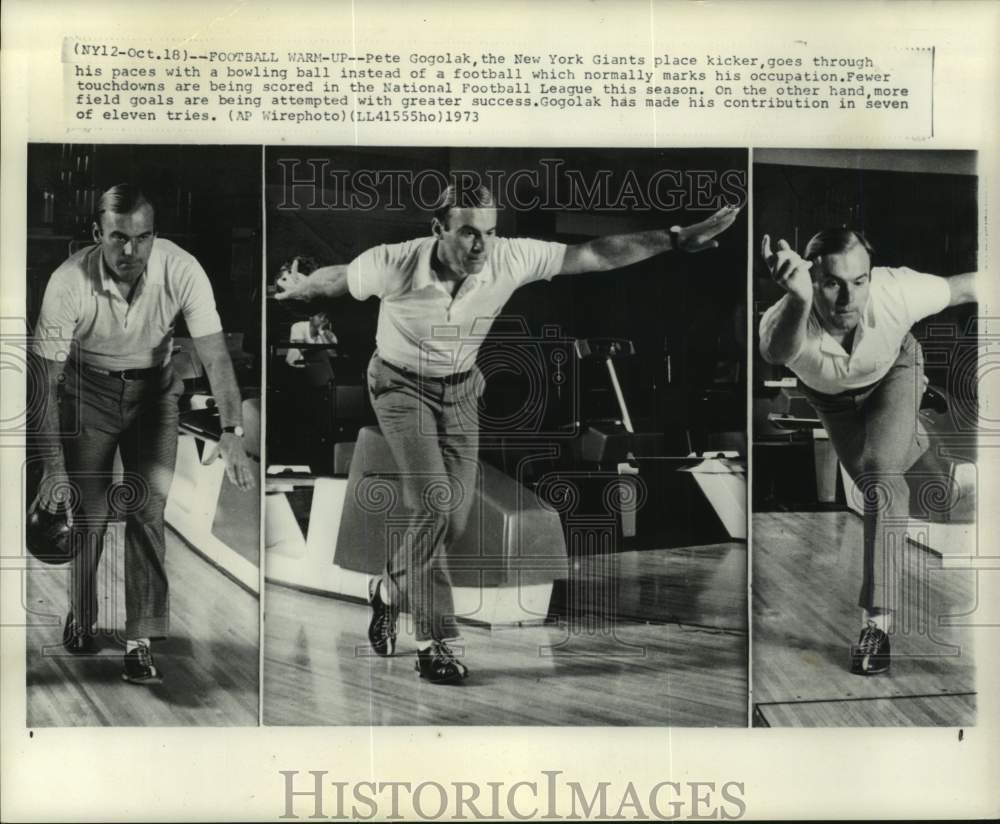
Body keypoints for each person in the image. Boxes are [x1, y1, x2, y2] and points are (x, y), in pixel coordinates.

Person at [276, 182, 740, 684]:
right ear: (438, 230)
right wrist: (300, 289)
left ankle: (387, 590)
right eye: (469, 233)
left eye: (490, 233)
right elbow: (335, 279)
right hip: (398, 384)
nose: (481, 246)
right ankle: (433, 643)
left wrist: (672, 239)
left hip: (460, 388)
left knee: (451, 517)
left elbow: (594, 253)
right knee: (435, 502)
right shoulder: (395, 262)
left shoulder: (508, 258)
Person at [32, 183, 256, 686]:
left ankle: (139, 639)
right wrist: (52, 470)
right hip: (88, 392)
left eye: (142, 238)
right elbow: (43, 385)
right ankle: (83, 615)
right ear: (98, 235)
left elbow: (216, 354)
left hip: (155, 396)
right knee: (87, 515)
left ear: (155, 235)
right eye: (118, 238)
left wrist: (232, 428)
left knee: (147, 511)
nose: (130, 251)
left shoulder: (182, 268)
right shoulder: (68, 281)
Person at [758, 228, 977, 675]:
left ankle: (876, 626)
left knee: (880, 479)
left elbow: (966, 286)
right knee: (930, 494)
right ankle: (931, 454)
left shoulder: (897, 290)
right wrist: (798, 299)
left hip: (895, 371)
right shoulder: (785, 314)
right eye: (833, 283)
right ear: (810, 277)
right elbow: (776, 352)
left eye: (859, 282)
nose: (848, 299)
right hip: (834, 402)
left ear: (871, 277)